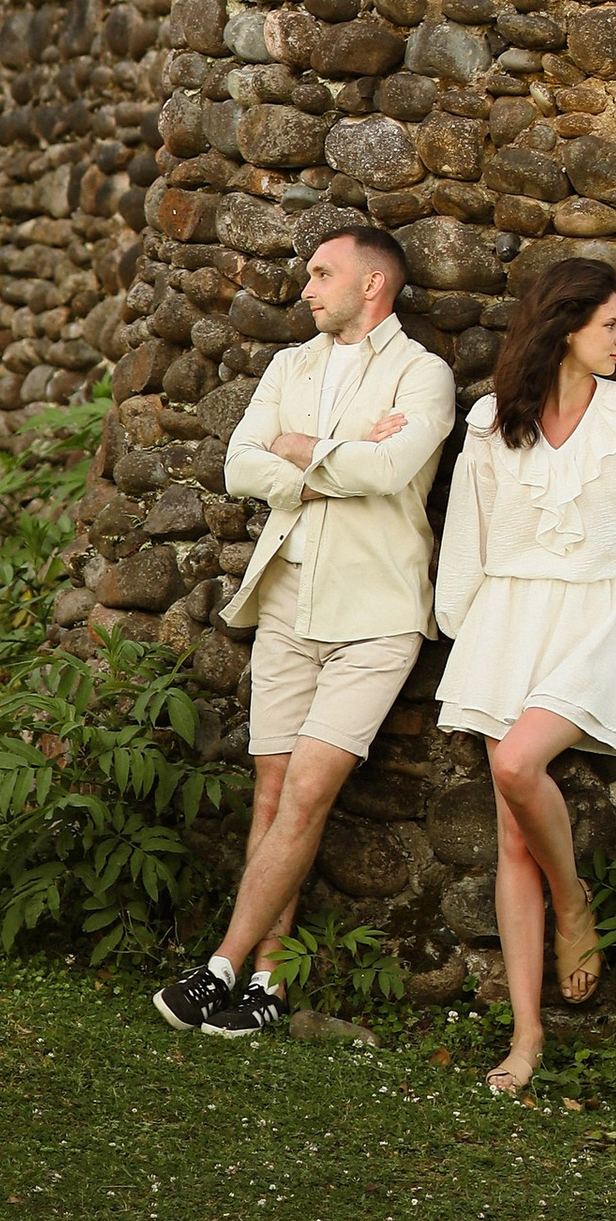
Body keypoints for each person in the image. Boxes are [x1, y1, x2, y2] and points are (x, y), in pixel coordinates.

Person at [154, 222, 455, 1041]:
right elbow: (240, 466)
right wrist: (336, 454)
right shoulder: (290, 365)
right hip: (286, 600)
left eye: (323, 274)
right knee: (273, 795)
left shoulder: (424, 375)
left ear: (372, 284)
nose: (306, 288)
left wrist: (301, 453)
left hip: (378, 616)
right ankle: (268, 985)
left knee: (311, 793)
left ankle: (219, 961)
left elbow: (391, 472)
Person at [434, 252, 616, 1096]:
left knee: (518, 766)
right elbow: (465, 539)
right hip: (505, 621)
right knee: (511, 828)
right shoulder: (490, 421)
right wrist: (464, 637)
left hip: (596, 616)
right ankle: (526, 1037)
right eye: (611, 325)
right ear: (564, 329)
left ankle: (572, 902)